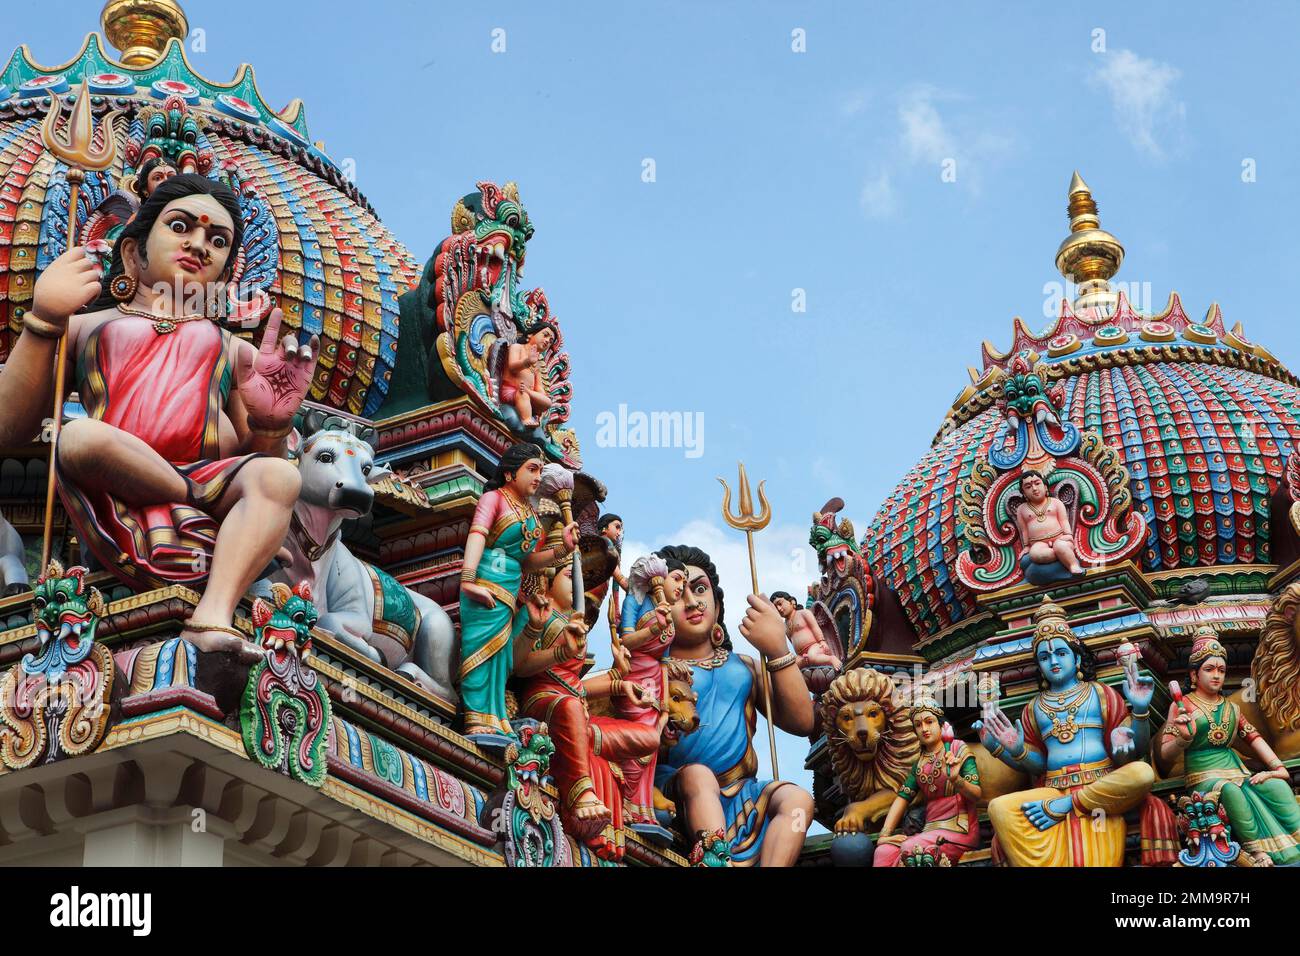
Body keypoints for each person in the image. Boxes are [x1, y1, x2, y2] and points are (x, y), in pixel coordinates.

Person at [0, 174, 318, 660]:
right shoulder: (87, 327)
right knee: (79, 438)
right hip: (116, 474)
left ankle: (213, 612)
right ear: (133, 254)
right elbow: (9, 425)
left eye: (217, 240)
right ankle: (193, 499)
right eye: (180, 226)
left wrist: (271, 426)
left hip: (207, 474)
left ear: (225, 275)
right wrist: (44, 319)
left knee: (277, 476)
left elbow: (257, 458)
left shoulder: (232, 348)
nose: (199, 245)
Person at [976, 602, 1176, 866]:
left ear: (1077, 658)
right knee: (999, 808)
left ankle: (1071, 805)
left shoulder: (1100, 693)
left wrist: (1139, 708)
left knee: (1142, 773)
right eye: (1045, 658)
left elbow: (1135, 750)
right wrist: (1011, 750)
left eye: (1060, 653)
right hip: (1053, 790)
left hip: (1101, 785)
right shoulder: (1033, 708)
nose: (1054, 661)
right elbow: (1039, 767)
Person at [655, 544, 816, 866]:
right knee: (699, 776)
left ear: (716, 597)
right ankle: (715, 859)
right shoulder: (656, 669)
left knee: (798, 802)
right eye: (677, 595)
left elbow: (802, 722)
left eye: (700, 589)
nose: (691, 602)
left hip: (741, 790)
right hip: (678, 783)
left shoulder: (743, 665)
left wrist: (776, 649)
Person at [514, 548, 658, 859]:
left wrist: (620, 683)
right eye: (570, 577)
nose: (578, 587)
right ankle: (582, 794)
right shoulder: (538, 612)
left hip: (574, 708)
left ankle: (580, 741)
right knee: (568, 707)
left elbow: (576, 685)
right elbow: (517, 665)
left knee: (649, 736)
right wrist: (558, 652)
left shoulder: (572, 622)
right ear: (548, 579)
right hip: (544, 701)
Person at [457, 442, 576, 739]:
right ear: (510, 474)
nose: (537, 477)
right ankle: (475, 715)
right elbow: (477, 536)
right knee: (480, 651)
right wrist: (468, 580)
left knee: (499, 656)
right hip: (485, 580)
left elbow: (528, 562)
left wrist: (563, 548)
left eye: (539, 471)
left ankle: (496, 716)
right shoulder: (494, 499)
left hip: (509, 589)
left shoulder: (530, 514)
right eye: (531, 470)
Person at [1157, 626, 1300, 866]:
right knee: (1231, 792)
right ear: (1194, 676)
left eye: (1221, 670)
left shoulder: (1232, 708)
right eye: (1209, 669)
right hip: (1205, 776)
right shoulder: (1183, 707)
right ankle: (1255, 851)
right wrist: (1182, 740)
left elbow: (1254, 738)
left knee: (1277, 786)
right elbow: (1165, 753)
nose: (1216, 675)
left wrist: (1277, 767)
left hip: (1238, 771)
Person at [875, 700, 981, 867]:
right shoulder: (920, 763)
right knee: (884, 851)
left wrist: (957, 781)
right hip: (929, 830)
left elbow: (976, 794)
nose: (924, 729)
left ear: (941, 725)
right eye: (918, 725)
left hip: (958, 829)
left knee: (910, 848)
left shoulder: (958, 749)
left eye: (929, 722)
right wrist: (884, 835)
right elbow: (902, 798)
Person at [1013, 470, 1084, 574]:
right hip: (1038, 543)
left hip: (1060, 539)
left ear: (1045, 486)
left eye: (1037, 483)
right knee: (1035, 554)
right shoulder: (1022, 509)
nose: (1034, 489)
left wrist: (1068, 535)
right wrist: (1027, 546)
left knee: (1060, 546)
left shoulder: (1055, 503)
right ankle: (1061, 556)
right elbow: (1024, 530)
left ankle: (1072, 564)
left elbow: (1064, 521)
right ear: (1023, 493)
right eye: (1028, 487)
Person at [770, 590, 841, 670]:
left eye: (780, 604)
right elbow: (792, 641)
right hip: (801, 655)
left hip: (815, 647)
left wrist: (822, 641)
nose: (779, 608)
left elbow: (815, 628)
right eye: (776, 608)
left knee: (812, 656)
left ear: (791, 602)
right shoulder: (785, 626)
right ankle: (807, 662)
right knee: (791, 667)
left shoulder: (803, 613)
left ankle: (831, 659)